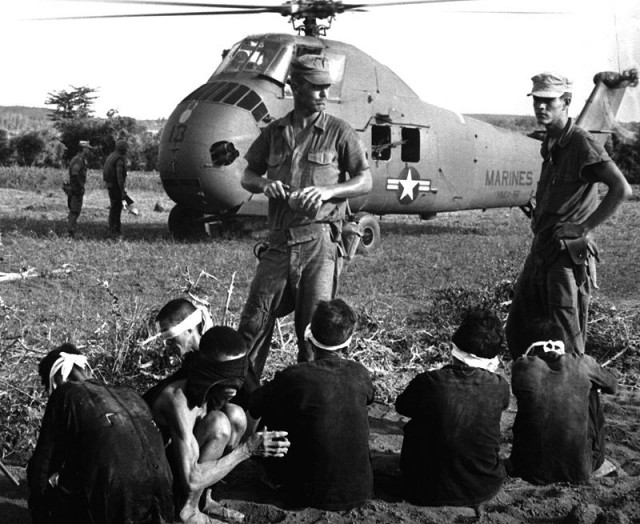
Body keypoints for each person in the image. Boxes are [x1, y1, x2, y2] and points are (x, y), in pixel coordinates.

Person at [238, 53, 372, 394]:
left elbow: (365, 180)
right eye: (315, 88)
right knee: (254, 322)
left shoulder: (339, 132)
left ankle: (311, 405)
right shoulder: (274, 132)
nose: (324, 94)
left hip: (319, 244)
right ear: (294, 86)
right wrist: (265, 184)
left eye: (326, 87)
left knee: (314, 334)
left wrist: (330, 191)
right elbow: (248, 175)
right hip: (279, 243)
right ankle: (244, 399)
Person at [506, 72, 632, 358]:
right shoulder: (551, 142)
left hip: (565, 256)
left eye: (549, 101)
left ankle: (578, 399)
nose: (541, 107)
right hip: (542, 249)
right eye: (537, 100)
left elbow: (621, 189)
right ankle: (537, 393)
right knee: (518, 329)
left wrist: (583, 226)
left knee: (567, 342)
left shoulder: (581, 143)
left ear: (566, 103)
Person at [143, 325, 290, 524]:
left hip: (184, 461)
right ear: (209, 372)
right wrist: (246, 450)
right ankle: (188, 512)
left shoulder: (212, 388)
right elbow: (192, 479)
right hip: (155, 475)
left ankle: (205, 500)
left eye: (239, 374)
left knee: (236, 416)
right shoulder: (177, 400)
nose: (236, 385)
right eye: (227, 376)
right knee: (219, 424)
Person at [247, 298, 374, 510]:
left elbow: (254, 405)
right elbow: (368, 398)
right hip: (360, 491)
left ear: (309, 339)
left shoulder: (294, 377)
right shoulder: (361, 374)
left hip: (304, 494)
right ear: (348, 344)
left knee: (275, 407)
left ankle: (273, 475)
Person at [27, 343, 175, 524]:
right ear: (87, 369)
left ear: (56, 380)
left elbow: (42, 466)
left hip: (115, 498)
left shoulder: (64, 394)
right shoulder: (130, 393)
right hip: (162, 497)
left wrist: (39, 511)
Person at [395, 308, 510, 509]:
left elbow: (402, 406)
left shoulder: (429, 382)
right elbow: (501, 404)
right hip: (483, 486)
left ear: (454, 345)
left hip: (422, 489)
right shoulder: (499, 386)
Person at [509, 318, 618, 484]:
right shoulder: (583, 363)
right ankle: (592, 459)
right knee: (591, 390)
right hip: (579, 471)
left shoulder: (521, 367)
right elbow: (612, 386)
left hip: (526, 468)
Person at [103, 139, 133, 238]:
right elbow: (119, 176)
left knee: (114, 207)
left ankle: (113, 228)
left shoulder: (112, 156)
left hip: (110, 185)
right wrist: (122, 190)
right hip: (115, 187)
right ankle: (114, 230)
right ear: (123, 149)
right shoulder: (119, 159)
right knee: (116, 208)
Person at [64, 140, 92, 237]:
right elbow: (75, 173)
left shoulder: (76, 159)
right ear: (84, 149)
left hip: (74, 188)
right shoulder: (79, 160)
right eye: (87, 149)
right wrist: (80, 186)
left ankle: (72, 229)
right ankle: (70, 231)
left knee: (74, 210)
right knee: (75, 211)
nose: (88, 151)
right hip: (76, 189)